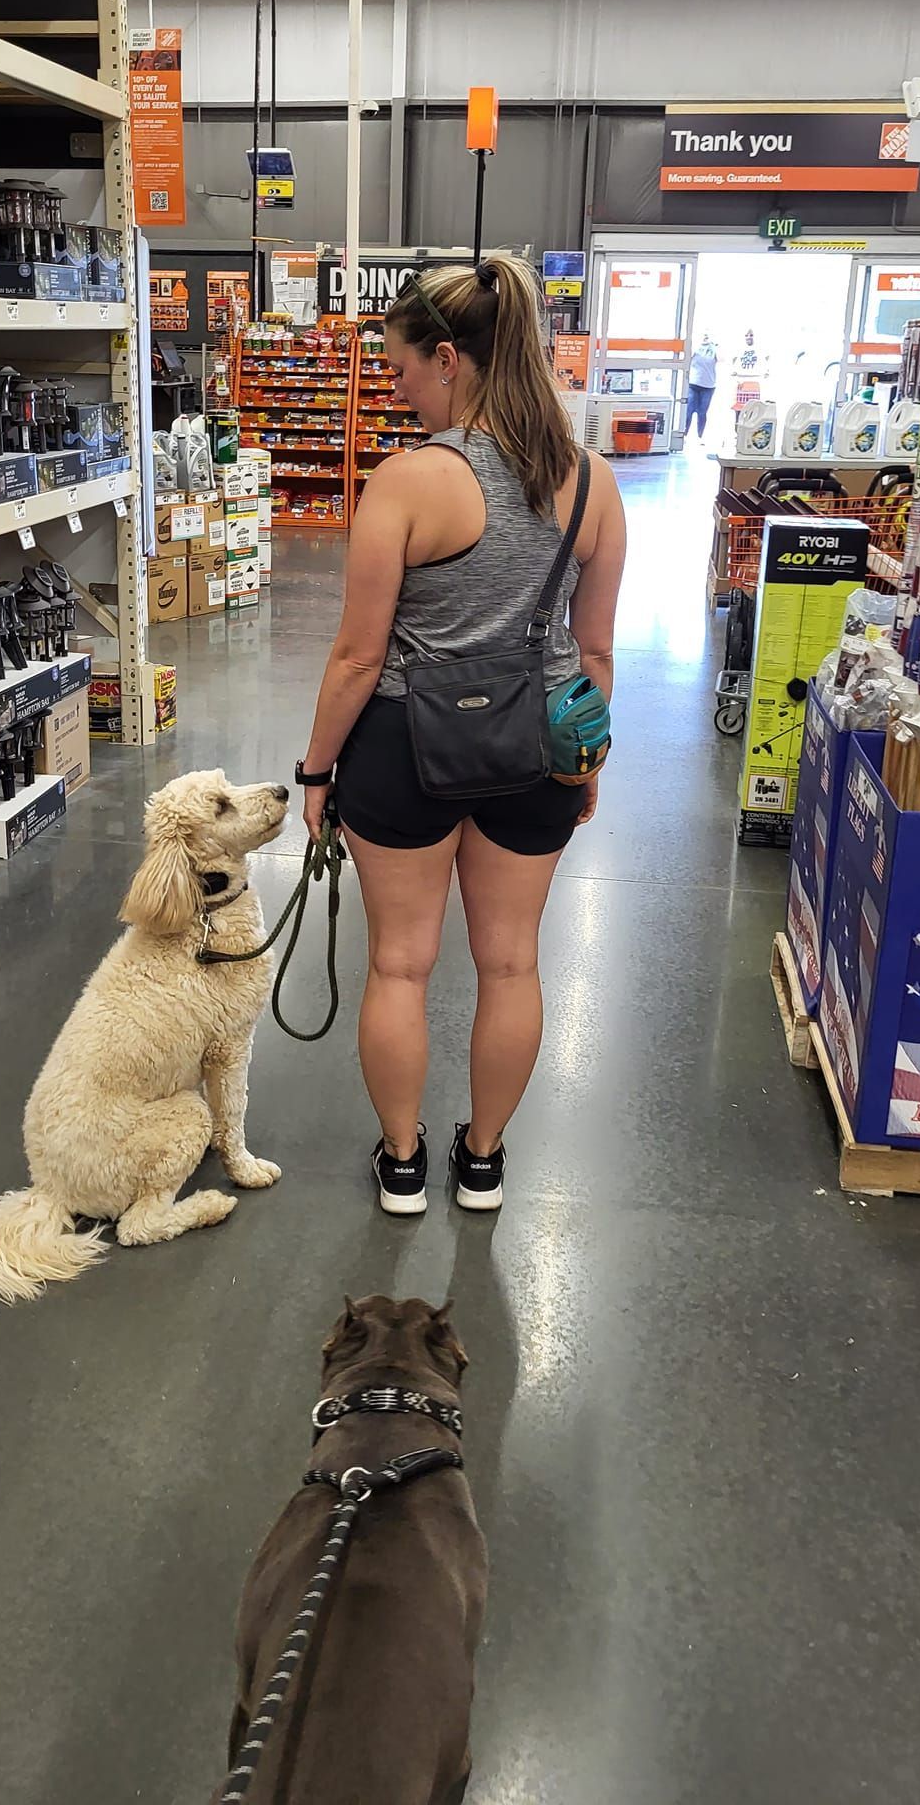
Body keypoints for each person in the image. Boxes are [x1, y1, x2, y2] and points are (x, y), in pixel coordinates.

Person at [297, 254, 626, 1217]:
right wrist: (589, 757)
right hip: (541, 749)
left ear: (449, 359)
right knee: (513, 960)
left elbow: (359, 659)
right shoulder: (593, 480)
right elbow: (596, 648)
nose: (397, 393)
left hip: (407, 743)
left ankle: (402, 1165)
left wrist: (317, 772)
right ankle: (481, 1162)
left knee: (399, 961)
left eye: (401, 370)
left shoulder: (407, 482)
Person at [683, 332, 717, 439]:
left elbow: (722, 359)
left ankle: (700, 436)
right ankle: (683, 435)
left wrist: (716, 347)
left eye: (708, 334)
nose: (705, 336)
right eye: (704, 334)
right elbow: (686, 359)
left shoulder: (714, 348)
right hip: (693, 383)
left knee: (702, 413)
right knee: (688, 411)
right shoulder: (695, 347)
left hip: (708, 386)